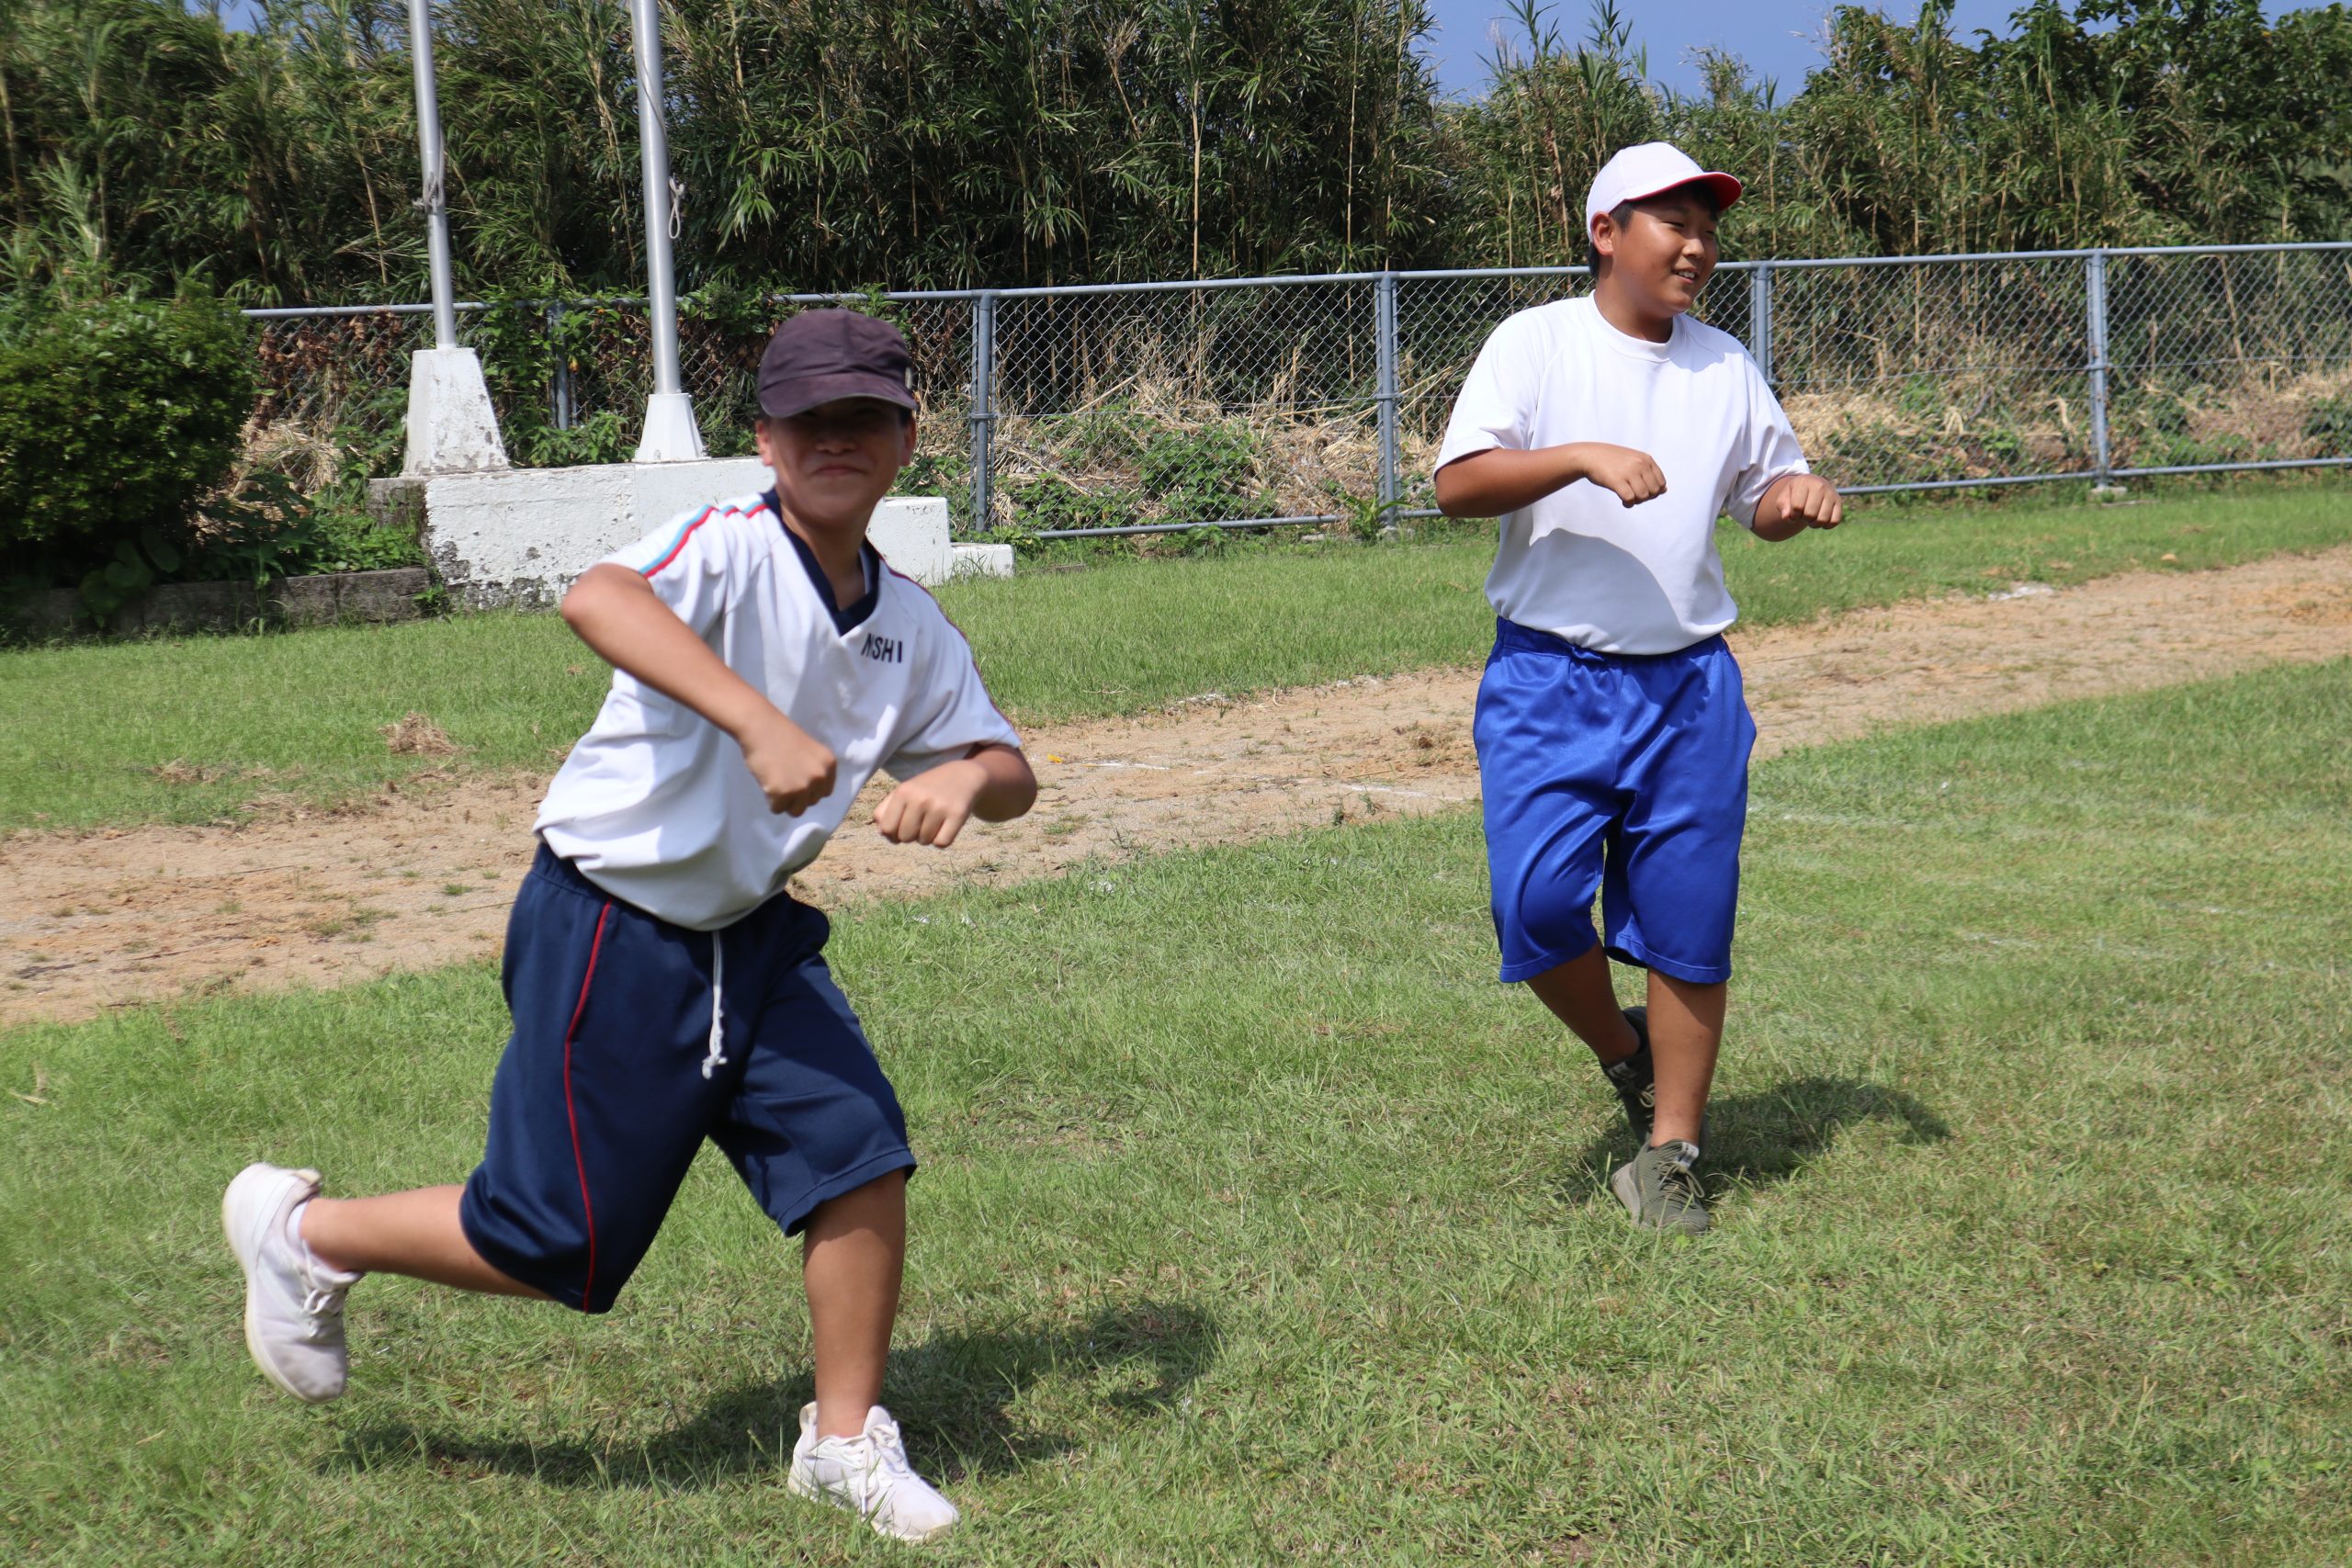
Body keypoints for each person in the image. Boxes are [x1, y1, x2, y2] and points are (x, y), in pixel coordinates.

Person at [222, 308, 1035, 1543]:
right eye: (808, 419)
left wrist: (966, 778)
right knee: (559, 1240)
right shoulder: (729, 547)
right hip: (613, 921)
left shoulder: (907, 624)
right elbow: (598, 596)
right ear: (764, 439)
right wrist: (755, 720)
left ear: (908, 439)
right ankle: (305, 1233)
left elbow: (1009, 764)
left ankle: (842, 1442)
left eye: (862, 418)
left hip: (753, 932)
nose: (835, 439)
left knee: (858, 1154)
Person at [1432, 142, 1844, 1235]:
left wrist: (1792, 498)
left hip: (1690, 688)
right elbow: (1457, 485)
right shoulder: (1536, 343)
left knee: (1688, 925)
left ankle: (1670, 1154)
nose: (1697, 247)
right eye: (1675, 223)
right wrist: (1579, 456)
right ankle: (1626, 1054)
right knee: (1534, 908)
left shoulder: (1723, 365)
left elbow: (1759, 496)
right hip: (1547, 681)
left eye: (1708, 229)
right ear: (1606, 232)